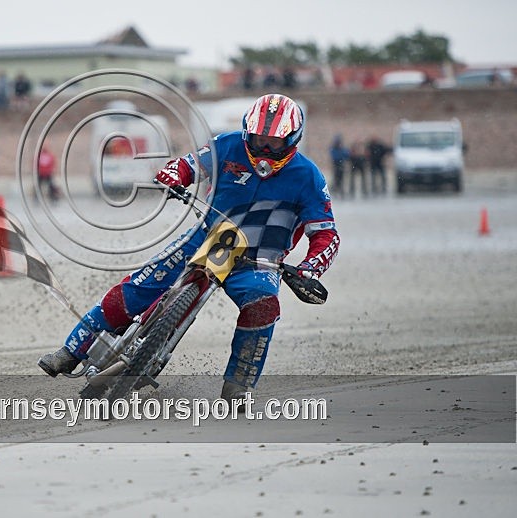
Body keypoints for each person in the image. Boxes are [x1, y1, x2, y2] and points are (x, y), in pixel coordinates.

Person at [38, 93, 340, 401]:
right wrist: (174, 174)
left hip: (261, 260)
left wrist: (309, 267)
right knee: (142, 283)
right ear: (247, 132)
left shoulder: (309, 177)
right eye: (259, 140)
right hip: (208, 235)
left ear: (292, 140)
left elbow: (326, 234)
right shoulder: (228, 144)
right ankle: (72, 350)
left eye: (274, 143)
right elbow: (190, 164)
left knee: (263, 306)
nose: (264, 150)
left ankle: (239, 385)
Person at [328, 135, 350, 199]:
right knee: (336, 180)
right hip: (336, 166)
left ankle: (341, 192)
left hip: (341, 166)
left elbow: (346, 155)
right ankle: (336, 191)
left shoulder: (342, 148)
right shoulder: (334, 148)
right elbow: (335, 156)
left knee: (341, 179)